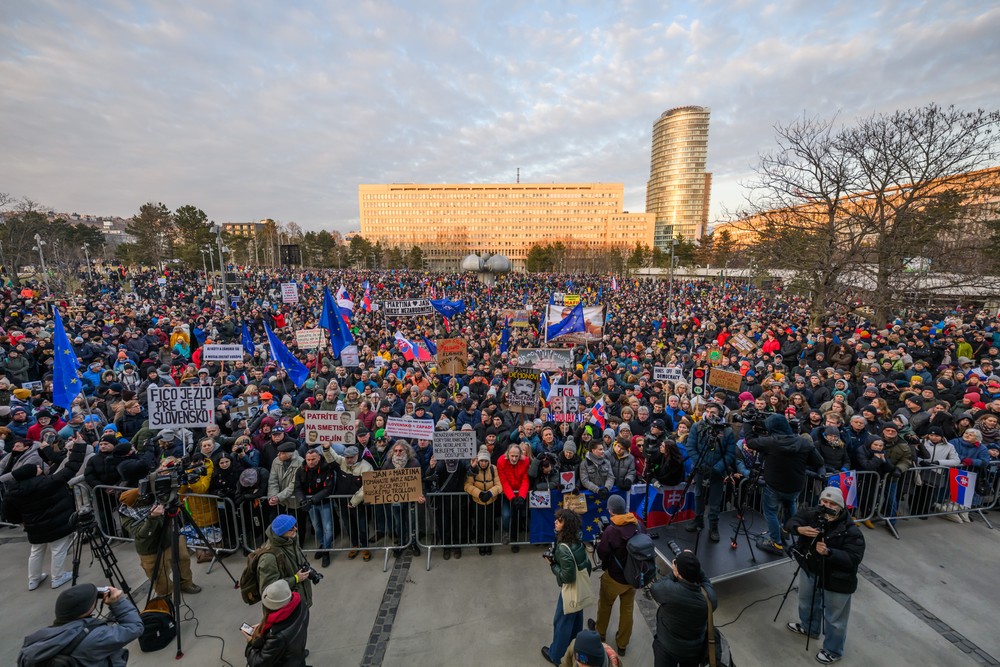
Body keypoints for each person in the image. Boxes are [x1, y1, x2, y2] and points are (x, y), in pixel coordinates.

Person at [785, 486, 866, 664]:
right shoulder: (812, 514)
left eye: (832, 503)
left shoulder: (852, 531)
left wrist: (830, 553)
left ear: (841, 507)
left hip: (837, 579)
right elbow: (791, 522)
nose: (827, 506)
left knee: (835, 618)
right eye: (824, 501)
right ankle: (809, 628)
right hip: (810, 568)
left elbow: (854, 558)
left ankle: (833, 650)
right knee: (806, 602)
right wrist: (799, 529)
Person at [745, 413, 824, 555]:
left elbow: (750, 442)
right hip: (795, 486)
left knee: (771, 512)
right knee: (790, 506)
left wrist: (748, 423)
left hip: (774, 486)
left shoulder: (770, 442)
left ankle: (776, 542)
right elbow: (818, 461)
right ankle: (787, 530)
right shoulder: (804, 442)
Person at [17, 583, 143, 667]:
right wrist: (118, 603)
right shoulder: (95, 637)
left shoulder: (38, 638)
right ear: (87, 611)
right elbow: (134, 627)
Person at [3, 463, 77, 591]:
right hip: (56, 523)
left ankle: (33, 579)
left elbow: (7, 511)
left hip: (34, 527)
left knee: (36, 552)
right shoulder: (47, 482)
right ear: (31, 473)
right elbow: (69, 469)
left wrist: (20, 521)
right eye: (36, 468)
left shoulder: (12, 492)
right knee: (58, 549)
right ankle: (58, 577)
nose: (39, 468)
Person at [119, 486, 201, 596]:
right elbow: (142, 534)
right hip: (151, 548)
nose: (149, 499)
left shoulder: (159, 502)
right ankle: (166, 596)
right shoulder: (126, 515)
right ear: (136, 504)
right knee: (158, 575)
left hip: (172, 536)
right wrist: (153, 517)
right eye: (145, 498)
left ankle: (186, 584)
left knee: (183, 560)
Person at [590, 494, 641, 656]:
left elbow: (602, 552)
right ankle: (622, 644)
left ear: (611, 511)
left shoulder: (611, 531)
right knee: (627, 610)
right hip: (633, 577)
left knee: (605, 605)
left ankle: (600, 633)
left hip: (614, 577)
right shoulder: (638, 524)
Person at [649, 550, 716, 667]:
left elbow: (655, 588)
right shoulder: (709, 599)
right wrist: (693, 565)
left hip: (667, 646)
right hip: (694, 650)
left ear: (678, 572)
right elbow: (706, 581)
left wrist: (673, 573)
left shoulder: (670, 590)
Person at [542, 508, 591, 665]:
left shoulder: (564, 548)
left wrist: (553, 565)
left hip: (570, 590)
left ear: (567, 525)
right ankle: (574, 650)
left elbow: (567, 577)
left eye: (560, 521)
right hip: (580, 589)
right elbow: (586, 565)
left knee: (562, 623)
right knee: (576, 621)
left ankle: (556, 656)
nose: (555, 522)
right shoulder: (577, 538)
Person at [685, 403, 737, 542]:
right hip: (701, 468)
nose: (709, 414)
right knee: (698, 495)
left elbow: (730, 453)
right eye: (707, 411)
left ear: (720, 414)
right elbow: (691, 447)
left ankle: (713, 526)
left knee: (715, 500)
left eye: (712, 412)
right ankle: (698, 520)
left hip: (717, 471)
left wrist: (718, 468)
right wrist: (700, 464)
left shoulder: (727, 431)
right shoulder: (697, 426)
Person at [243, 579, 310, 667]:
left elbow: (257, 663)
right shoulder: (302, 605)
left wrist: (250, 643)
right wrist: (265, 628)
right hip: (296, 656)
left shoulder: (277, 636)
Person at [257, 514, 314, 608]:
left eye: (295, 525)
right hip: (287, 606)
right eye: (291, 528)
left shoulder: (291, 538)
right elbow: (268, 591)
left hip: (301, 598)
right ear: (281, 532)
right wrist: (295, 578)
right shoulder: (268, 558)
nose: (295, 529)